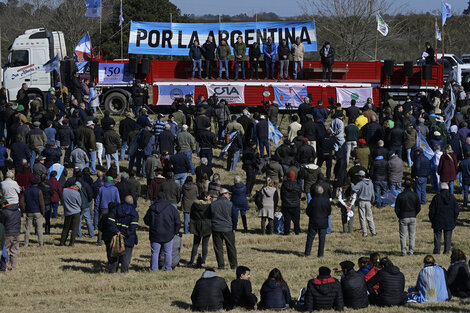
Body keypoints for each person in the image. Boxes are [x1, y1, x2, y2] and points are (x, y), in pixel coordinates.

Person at [144, 192, 181, 271]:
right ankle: (167, 268)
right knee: (168, 252)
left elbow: (146, 221)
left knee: (155, 253)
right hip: (168, 233)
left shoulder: (152, 208)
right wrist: (175, 231)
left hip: (155, 233)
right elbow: (178, 221)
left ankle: (154, 268)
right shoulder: (171, 208)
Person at [205, 188, 237, 269]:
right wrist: (234, 227)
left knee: (218, 248)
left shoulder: (213, 204)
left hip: (216, 228)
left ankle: (221, 265)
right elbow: (235, 216)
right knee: (231, 248)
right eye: (228, 194)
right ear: (224, 194)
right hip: (228, 229)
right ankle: (234, 266)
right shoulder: (230, 204)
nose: (229, 196)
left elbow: (206, 215)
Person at [106, 196, 139, 273]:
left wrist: (116, 231)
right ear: (132, 202)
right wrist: (126, 233)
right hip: (129, 237)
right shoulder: (134, 212)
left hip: (116, 236)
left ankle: (112, 272)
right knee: (126, 257)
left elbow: (110, 221)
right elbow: (133, 226)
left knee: (115, 255)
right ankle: (124, 272)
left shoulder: (116, 209)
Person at [429, 182, 459, 254]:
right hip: (449, 220)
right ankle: (447, 251)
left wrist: (432, 219)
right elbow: (456, 211)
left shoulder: (436, 197)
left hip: (437, 220)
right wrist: (454, 219)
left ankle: (437, 250)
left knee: (437, 236)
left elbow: (432, 210)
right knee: (448, 237)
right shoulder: (452, 198)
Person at [394, 178, 421, 256]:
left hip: (403, 216)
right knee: (412, 235)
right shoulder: (415, 195)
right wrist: (414, 214)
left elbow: (397, 208)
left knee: (403, 235)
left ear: (404, 186)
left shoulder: (400, 195)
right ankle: (411, 251)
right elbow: (418, 207)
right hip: (412, 216)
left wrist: (400, 216)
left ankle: (403, 251)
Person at [305, 185, 331, 257]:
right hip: (323, 222)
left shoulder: (313, 200)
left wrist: (312, 216)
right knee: (322, 239)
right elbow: (329, 211)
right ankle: (320, 254)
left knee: (310, 238)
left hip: (314, 221)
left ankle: (307, 253)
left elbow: (307, 211)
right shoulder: (327, 200)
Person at [20, 177, 45, 247]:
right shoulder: (39, 191)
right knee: (39, 228)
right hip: (37, 211)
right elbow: (41, 203)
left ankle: (26, 243)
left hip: (29, 211)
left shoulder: (26, 191)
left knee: (27, 228)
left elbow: (21, 202)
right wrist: (43, 212)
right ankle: (40, 243)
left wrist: (24, 209)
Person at [188, 192, 212, 266]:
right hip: (207, 225)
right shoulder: (209, 205)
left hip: (197, 225)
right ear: (205, 197)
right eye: (208, 196)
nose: (210, 197)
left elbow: (191, 214)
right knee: (205, 244)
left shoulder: (194, 204)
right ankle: (203, 260)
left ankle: (191, 260)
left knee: (195, 244)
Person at [0, 200, 22, 271]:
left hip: (7, 233)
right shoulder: (18, 211)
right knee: (14, 251)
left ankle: (4, 267)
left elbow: (1, 223)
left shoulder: (4, 212)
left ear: (3, 204)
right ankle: (13, 267)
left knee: (4, 250)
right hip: (17, 233)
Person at [280, 170, 302, 235]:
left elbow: (282, 195)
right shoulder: (297, 185)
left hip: (286, 205)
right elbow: (299, 195)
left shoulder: (284, 185)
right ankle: (297, 231)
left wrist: (284, 201)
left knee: (287, 220)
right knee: (296, 220)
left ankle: (286, 232)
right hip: (295, 205)